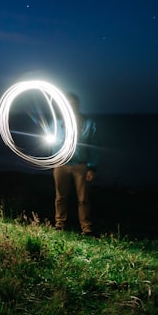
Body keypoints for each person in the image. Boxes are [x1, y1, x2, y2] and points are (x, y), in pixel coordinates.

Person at [53, 93, 99, 235]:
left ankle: (86, 227)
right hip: (61, 164)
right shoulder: (57, 123)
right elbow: (51, 141)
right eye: (68, 103)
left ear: (78, 105)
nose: (71, 106)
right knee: (61, 196)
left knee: (83, 198)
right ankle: (60, 224)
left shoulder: (88, 123)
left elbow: (94, 146)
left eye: (73, 103)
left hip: (80, 165)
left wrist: (92, 167)